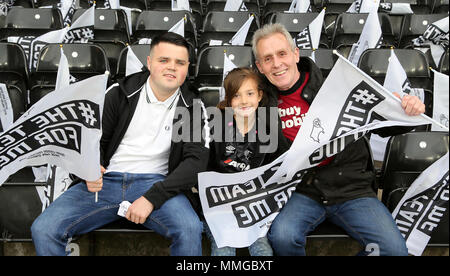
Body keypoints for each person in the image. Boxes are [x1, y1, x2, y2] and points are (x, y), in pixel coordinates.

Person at [252, 23, 426, 256]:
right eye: (267, 58)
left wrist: (406, 108)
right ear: (260, 66)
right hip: (301, 191)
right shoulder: (260, 102)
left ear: (295, 54)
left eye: (282, 53)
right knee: (283, 237)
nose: (276, 64)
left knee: (394, 251)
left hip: (351, 188)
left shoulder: (336, 86)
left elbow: (384, 124)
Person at [31, 32, 210, 256]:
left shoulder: (192, 106)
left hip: (157, 184)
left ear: (187, 68)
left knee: (190, 228)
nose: (172, 67)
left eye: (180, 63)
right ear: (149, 62)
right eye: (164, 60)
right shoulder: (120, 92)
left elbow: (196, 162)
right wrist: (90, 168)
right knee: (44, 228)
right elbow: (91, 140)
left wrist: (151, 199)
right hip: (107, 181)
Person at [204, 67, 290, 256]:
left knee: (262, 249)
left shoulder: (268, 128)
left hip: (254, 208)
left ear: (259, 95)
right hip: (220, 208)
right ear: (228, 100)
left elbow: (281, 166)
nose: (243, 101)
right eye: (236, 95)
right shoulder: (215, 126)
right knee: (223, 250)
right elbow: (203, 170)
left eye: (249, 93)